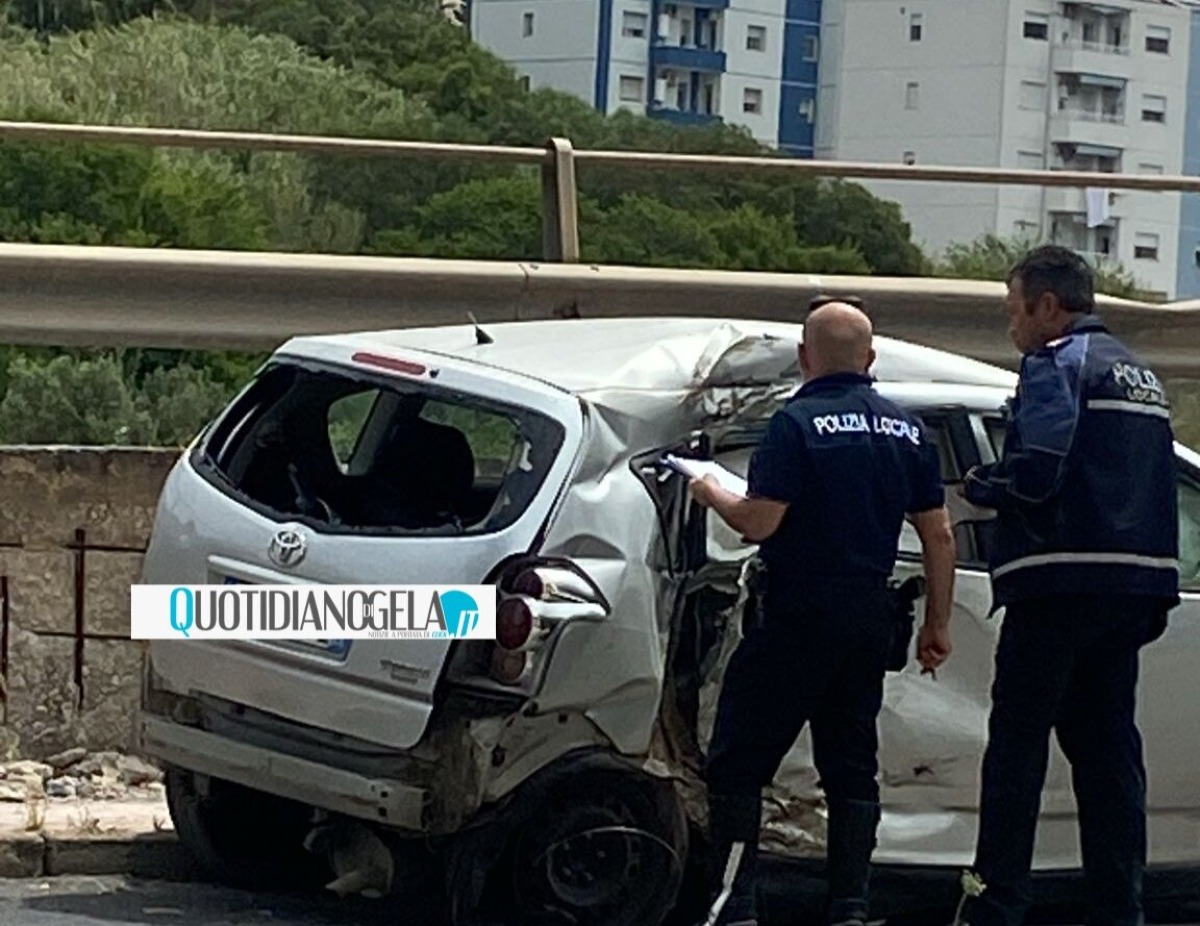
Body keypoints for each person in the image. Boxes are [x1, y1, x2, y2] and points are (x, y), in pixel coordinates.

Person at [688, 298, 958, 926]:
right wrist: (938, 624)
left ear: (804, 358)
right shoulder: (908, 430)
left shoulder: (796, 424)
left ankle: (736, 905)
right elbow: (939, 535)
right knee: (850, 763)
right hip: (868, 617)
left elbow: (759, 522)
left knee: (739, 760)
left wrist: (709, 490)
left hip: (797, 612)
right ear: (870, 359)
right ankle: (850, 907)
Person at [956, 245, 1179, 926]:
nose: (1012, 327)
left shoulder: (1057, 363)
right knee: (1108, 751)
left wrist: (983, 484)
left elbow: (1039, 467)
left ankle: (998, 899)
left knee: (1018, 747)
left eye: (1013, 310)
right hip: (1133, 588)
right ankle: (1120, 907)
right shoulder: (1142, 375)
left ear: (1048, 306)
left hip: (1058, 582)